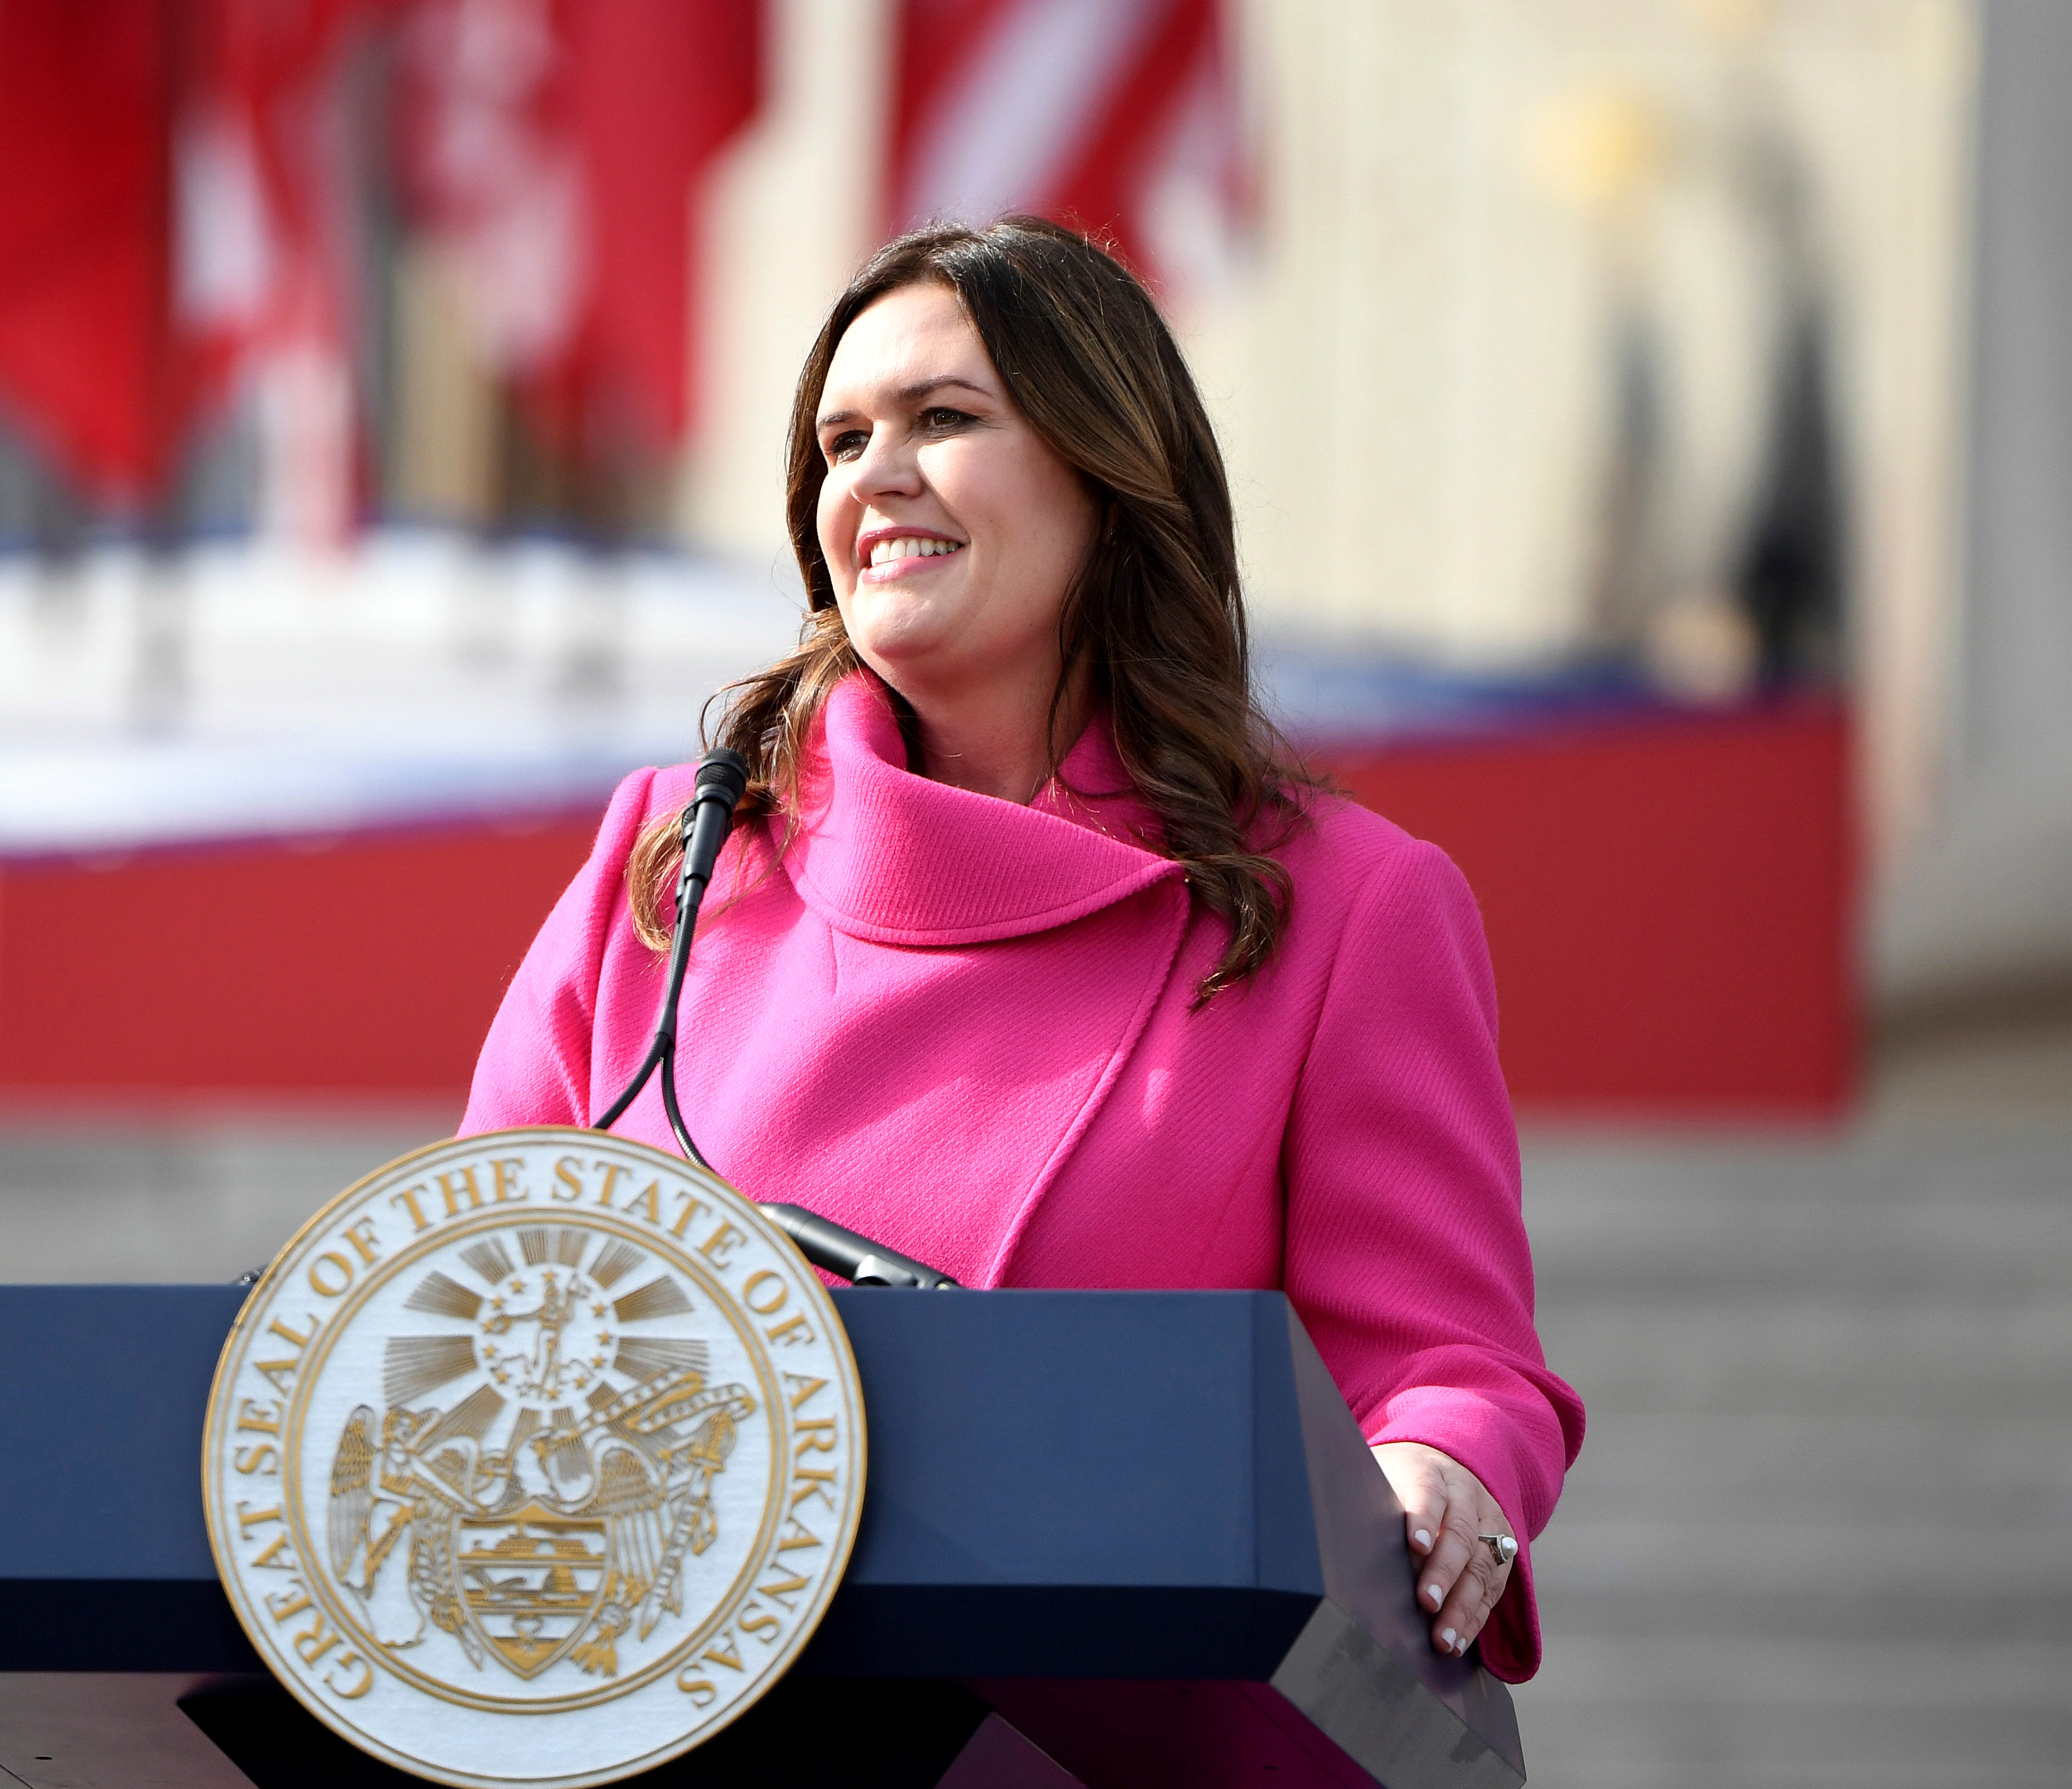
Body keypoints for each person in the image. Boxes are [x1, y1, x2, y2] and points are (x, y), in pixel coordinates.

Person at [460, 217, 1585, 1679]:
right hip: (654, 1695)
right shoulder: (674, 857)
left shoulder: (1342, 905)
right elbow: (471, 1280)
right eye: (840, 439)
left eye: (943, 420)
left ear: (1107, 477)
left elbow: (1440, 1359)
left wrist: (1440, 1475)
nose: (873, 475)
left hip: (1092, 1716)